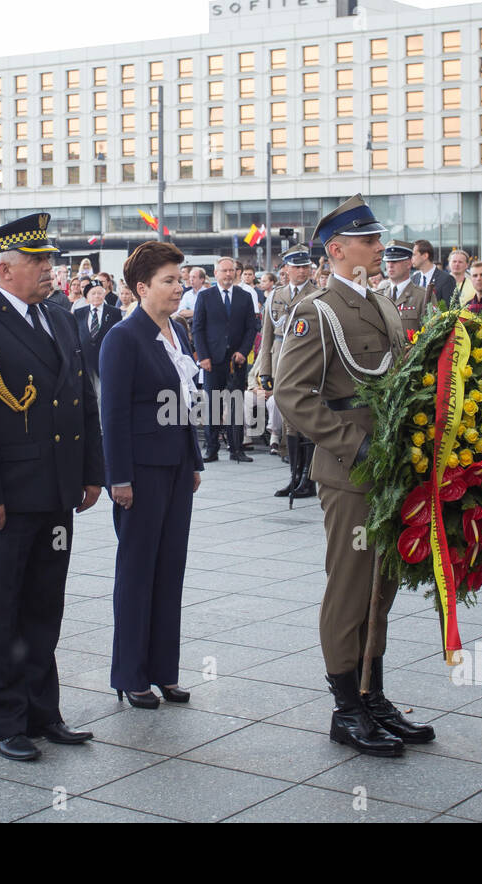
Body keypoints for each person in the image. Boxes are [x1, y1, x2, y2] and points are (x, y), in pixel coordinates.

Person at [274, 194, 434, 757]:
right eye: (368, 241)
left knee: (381, 586)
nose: (379, 248)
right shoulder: (316, 310)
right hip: (351, 472)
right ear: (338, 250)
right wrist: (358, 445)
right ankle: (346, 706)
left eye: (379, 240)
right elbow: (293, 395)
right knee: (350, 588)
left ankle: (372, 693)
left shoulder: (385, 303)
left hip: (391, 466)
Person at [0, 213, 104, 761]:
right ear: (5, 269)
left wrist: (90, 471)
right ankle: (4, 718)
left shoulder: (58, 318)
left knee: (44, 606)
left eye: (50, 261)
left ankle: (43, 710)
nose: (50, 270)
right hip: (7, 499)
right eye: (39, 262)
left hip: (55, 492)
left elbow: (82, 400)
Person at [100, 241, 203, 708]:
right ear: (142, 288)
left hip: (177, 467)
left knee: (170, 570)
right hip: (139, 473)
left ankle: (164, 670)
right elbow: (113, 412)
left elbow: (183, 403)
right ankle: (130, 673)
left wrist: (194, 460)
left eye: (180, 280)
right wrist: (118, 476)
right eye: (168, 280)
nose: (178, 287)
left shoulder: (177, 333)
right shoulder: (124, 337)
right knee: (138, 572)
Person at [260, 245, 318, 491]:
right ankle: (295, 477)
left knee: (306, 419)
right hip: (281, 360)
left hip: (307, 362)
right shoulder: (276, 295)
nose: (302, 271)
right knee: (288, 421)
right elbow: (267, 335)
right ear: (286, 269)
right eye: (297, 266)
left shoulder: (319, 293)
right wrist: (265, 371)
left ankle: (308, 478)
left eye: (306, 266)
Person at [192, 256, 257, 463]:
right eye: (224, 271)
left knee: (236, 404)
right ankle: (211, 449)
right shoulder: (205, 296)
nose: (229, 274)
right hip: (212, 360)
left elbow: (251, 328)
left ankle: (236, 449)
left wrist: (243, 351)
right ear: (216, 273)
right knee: (213, 405)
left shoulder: (244, 296)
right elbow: (198, 328)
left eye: (232, 270)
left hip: (236, 360)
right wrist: (203, 357)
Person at [73, 281, 122, 398]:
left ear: (104, 294)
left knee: (103, 395)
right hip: (85, 360)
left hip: (105, 359)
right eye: (93, 293)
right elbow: (75, 335)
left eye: (99, 293)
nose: (96, 296)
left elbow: (118, 336)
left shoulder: (114, 312)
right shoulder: (79, 313)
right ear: (87, 297)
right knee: (87, 395)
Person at [383, 240, 433, 336]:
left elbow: (431, 334)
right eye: (387, 261)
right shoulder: (379, 294)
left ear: (409, 264)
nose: (390, 265)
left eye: (395, 261)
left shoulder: (424, 296)